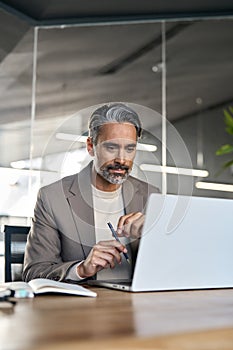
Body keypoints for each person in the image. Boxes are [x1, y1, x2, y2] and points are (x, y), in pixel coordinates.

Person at [23, 103, 160, 283]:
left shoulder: (152, 196)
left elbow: (173, 265)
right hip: (85, 305)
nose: (122, 159)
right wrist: (81, 269)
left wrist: (152, 236)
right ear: (90, 146)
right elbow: (34, 272)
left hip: (139, 302)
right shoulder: (52, 197)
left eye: (129, 148)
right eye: (111, 148)